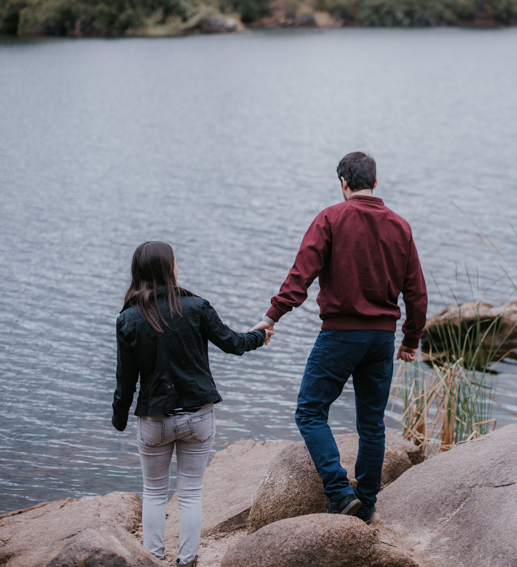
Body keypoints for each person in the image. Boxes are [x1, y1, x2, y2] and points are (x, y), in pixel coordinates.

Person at [255, 152, 427, 524]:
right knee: (371, 423)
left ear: (344, 184)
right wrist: (411, 339)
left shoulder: (332, 217)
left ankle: (337, 490)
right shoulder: (400, 226)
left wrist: (272, 318)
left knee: (310, 411)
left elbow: (301, 275)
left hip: (340, 336)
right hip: (381, 340)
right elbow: (416, 292)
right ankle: (364, 504)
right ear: (375, 183)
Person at [111, 241, 272, 566]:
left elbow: (125, 380)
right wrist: (260, 334)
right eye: (175, 262)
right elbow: (234, 344)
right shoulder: (196, 307)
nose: (178, 267)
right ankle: (187, 561)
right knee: (189, 495)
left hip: (154, 420)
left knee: (155, 495)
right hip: (198, 417)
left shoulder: (128, 319)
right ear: (169, 269)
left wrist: (120, 418)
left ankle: (154, 560)